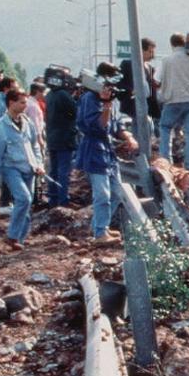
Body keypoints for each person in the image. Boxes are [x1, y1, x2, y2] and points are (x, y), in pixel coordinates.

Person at [76, 63, 138, 245]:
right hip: (94, 149)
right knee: (102, 193)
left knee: (116, 193)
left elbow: (117, 126)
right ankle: (99, 233)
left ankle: (100, 226)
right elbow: (98, 126)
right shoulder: (90, 99)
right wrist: (105, 105)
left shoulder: (111, 101)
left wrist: (128, 137)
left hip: (107, 151)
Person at [0, 89, 44, 250]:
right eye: (22, 102)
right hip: (11, 168)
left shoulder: (27, 122)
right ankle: (12, 236)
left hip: (29, 168)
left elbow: (35, 146)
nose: (26, 105)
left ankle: (21, 238)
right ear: (11, 103)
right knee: (24, 199)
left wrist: (39, 164)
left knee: (27, 202)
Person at [157, 31, 189, 172]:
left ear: (171, 44)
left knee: (165, 129)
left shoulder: (166, 60)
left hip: (172, 100)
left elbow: (156, 80)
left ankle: (166, 162)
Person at [44, 67, 77, 208]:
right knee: (64, 171)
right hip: (64, 138)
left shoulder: (50, 94)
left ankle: (53, 199)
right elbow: (74, 113)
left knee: (54, 170)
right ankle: (63, 200)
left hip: (52, 138)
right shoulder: (63, 94)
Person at [119, 37, 161, 145]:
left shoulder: (150, 68)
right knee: (143, 128)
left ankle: (143, 152)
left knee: (148, 129)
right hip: (135, 104)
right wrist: (131, 91)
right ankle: (140, 152)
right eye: (150, 51)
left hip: (148, 105)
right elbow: (120, 83)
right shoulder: (128, 64)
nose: (153, 55)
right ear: (141, 50)